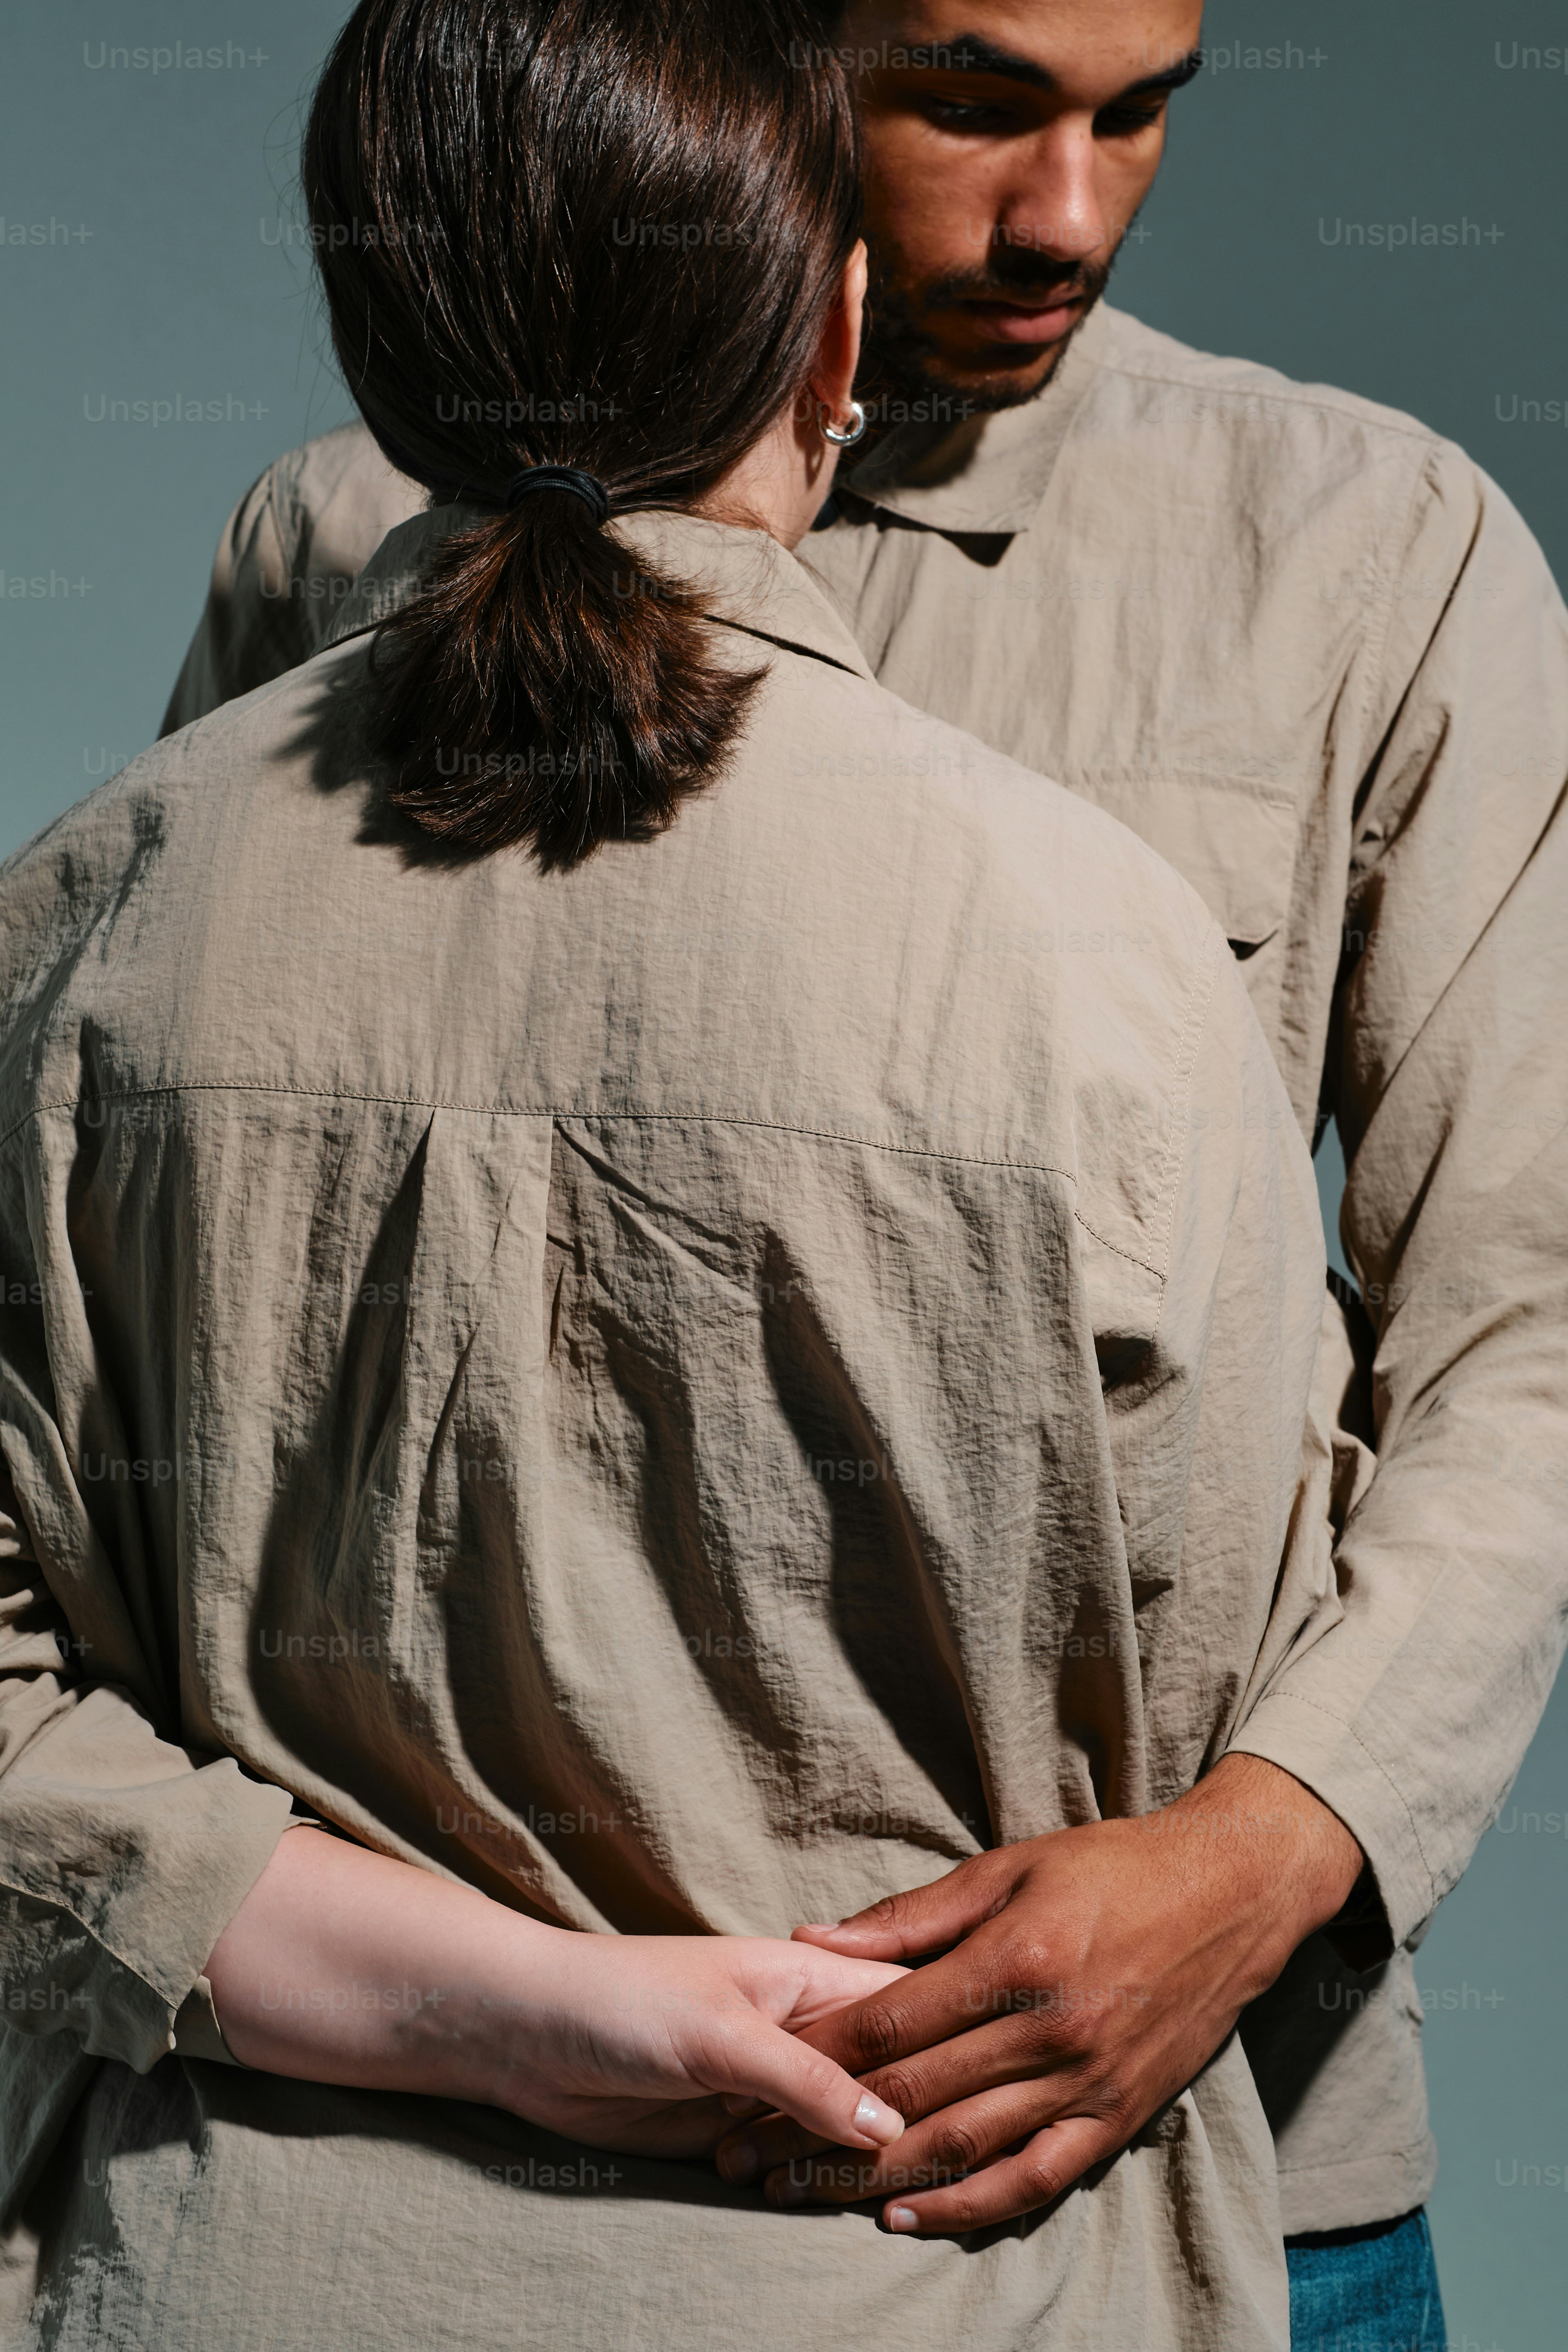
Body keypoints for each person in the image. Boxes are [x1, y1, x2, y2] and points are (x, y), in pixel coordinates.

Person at [165, 2, 1568, 2341]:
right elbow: (174, 1317)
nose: (1069, 217)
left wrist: (1268, 1849)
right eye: (975, 104)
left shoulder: (1366, 549)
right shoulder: (343, 542)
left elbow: (1531, 1335)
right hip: (421, 2163)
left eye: (1140, 113)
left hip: (1195, 2139)